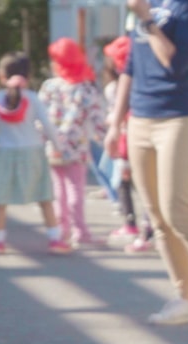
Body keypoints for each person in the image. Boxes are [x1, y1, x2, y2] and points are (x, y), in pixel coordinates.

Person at [106, 0, 188, 325]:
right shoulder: (146, 5)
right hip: (140, 118)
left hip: (180, 116)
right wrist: (115, 123)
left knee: (179, 211)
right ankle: (187, 297)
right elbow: (130, 66)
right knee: (157, 217)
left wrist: (146, 19)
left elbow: (175, 62)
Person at [0, 53, 59, 254]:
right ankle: (55, 239)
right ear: (28, 76)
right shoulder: (33, 98)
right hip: (33, 151)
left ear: (1, 76)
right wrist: (58, 146)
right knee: (44, 197)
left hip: (4, 152)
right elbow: (47, 126)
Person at [42, 38, 110, 252]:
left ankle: (62, 231)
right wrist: (106, 137)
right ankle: (80, 231)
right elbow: (99, 120)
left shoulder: (49, 87)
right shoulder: (85, 89)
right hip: (77, 147)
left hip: (52, 146)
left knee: (58, 191)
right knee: (75, 190)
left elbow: (38, 115)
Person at [101, 36, 155, 252]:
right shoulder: (148, 82)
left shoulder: (116, 88)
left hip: (128, 142)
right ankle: (145, 229)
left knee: (129, 184)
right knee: (146, 186)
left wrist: (112, 122)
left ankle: (136, 226)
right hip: (143, 138)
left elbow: (117, 115)